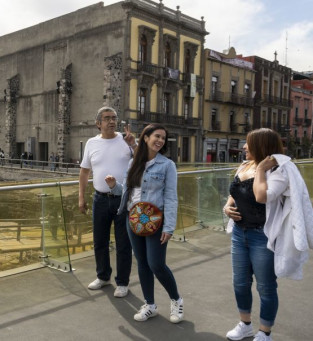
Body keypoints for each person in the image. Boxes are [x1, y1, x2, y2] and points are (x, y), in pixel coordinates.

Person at [224, 128, 313, 341]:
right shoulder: (244, 165)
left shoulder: (279, 172)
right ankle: (245, 324)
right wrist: (227, 208)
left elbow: (261, 196)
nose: (244, 147)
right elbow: (233, 192)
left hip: (262, 237)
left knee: (265, 286)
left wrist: (262, 169)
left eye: (248, 144)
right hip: (239, 233)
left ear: (260, 146)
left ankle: (265, 332)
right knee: (240, 283)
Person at [105, 124, 184, 323]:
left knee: (156, 264)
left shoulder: (167, 165)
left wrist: (169, 227)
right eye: (157, 136)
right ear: (146, 138)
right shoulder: (134, 163)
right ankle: (150, 305)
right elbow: (129, 191)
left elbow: (171, 197)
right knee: (142, 263)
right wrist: (114, 186)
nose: (160, 140)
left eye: (163, 138)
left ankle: (176, 300)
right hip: (134, 218)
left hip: (156, 220)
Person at [79, 106, 136, 298]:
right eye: (107, 118)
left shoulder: (126, 140)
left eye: (114, 118)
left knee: (123, 243)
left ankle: (122, 282)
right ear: (98, 123)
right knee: (100, 241)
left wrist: (134, 145)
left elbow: (143, 163)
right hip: (100, 199)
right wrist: (81, 197)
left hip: (123, 200)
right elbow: (85, 171)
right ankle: (103, 276)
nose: (112, 121)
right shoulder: (91, 143)